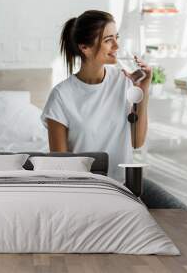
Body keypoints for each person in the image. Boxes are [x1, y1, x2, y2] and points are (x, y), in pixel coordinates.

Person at [41, 10, 152, 182]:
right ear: (85, 47)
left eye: (117, 37)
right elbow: (59, 168)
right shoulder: (61, 96)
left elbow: (136, 142)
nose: (117, 46)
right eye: (108, 40)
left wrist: (142, 90)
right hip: (86, 190)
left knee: (176, 207)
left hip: (124, 185)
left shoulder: (124, 81)